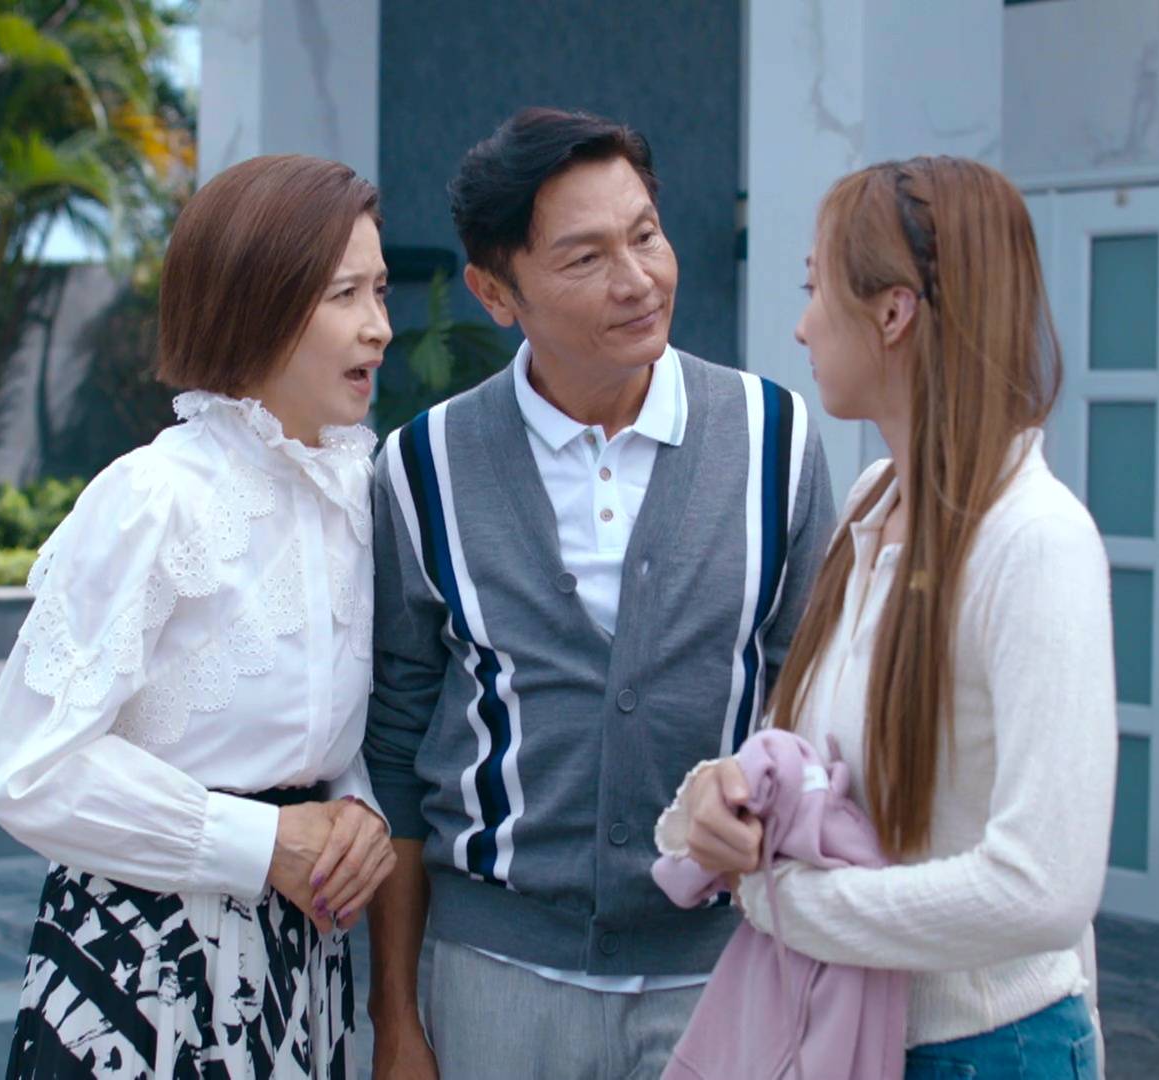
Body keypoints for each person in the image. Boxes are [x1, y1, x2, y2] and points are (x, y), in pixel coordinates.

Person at [362, 107, 835, 1080]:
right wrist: (396, 1014)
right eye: (585, 258)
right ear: (496, 292)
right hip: (496, 979)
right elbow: (398, 746)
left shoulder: (774, 439)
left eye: (646, 236)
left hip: (724, 969)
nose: (637, 281)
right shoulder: (424, 467)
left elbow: (814, 700)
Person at [676, 155, 1117, 1077]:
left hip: (991, 1050)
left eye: (814, 289)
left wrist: (782, 902)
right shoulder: (872, 504)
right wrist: (722, 799)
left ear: (892, 313)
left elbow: (1045, 889)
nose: (800, 324)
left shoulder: (1037, 542)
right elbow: (816, 758)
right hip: (859, 1038)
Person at [0, 154, 398, 1079]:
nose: (380, 326)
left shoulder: (357, 493)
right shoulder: (153, 498)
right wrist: (263, 844)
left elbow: (317, 726)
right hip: (146, 955)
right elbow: (23, 765)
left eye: (380, 290)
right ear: (257, 303)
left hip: (301, 957)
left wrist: (355, 811)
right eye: (344, 295)